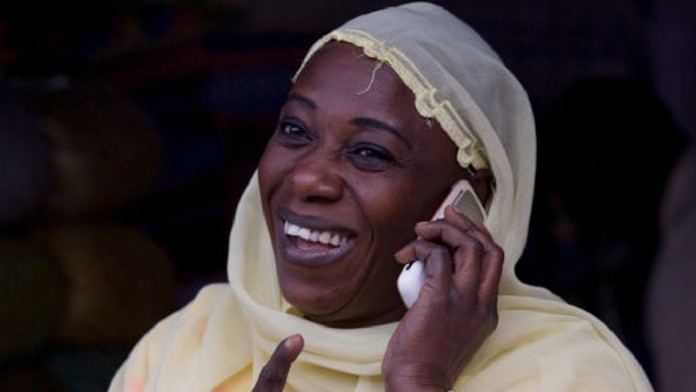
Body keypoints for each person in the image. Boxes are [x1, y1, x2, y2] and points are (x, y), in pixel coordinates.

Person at [108, 3, 652, 391]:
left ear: (467, 201)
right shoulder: (185, 343)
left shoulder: (565, 373)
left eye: (370, 153)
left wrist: (419, 381)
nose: (306, 179)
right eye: (296, 131)